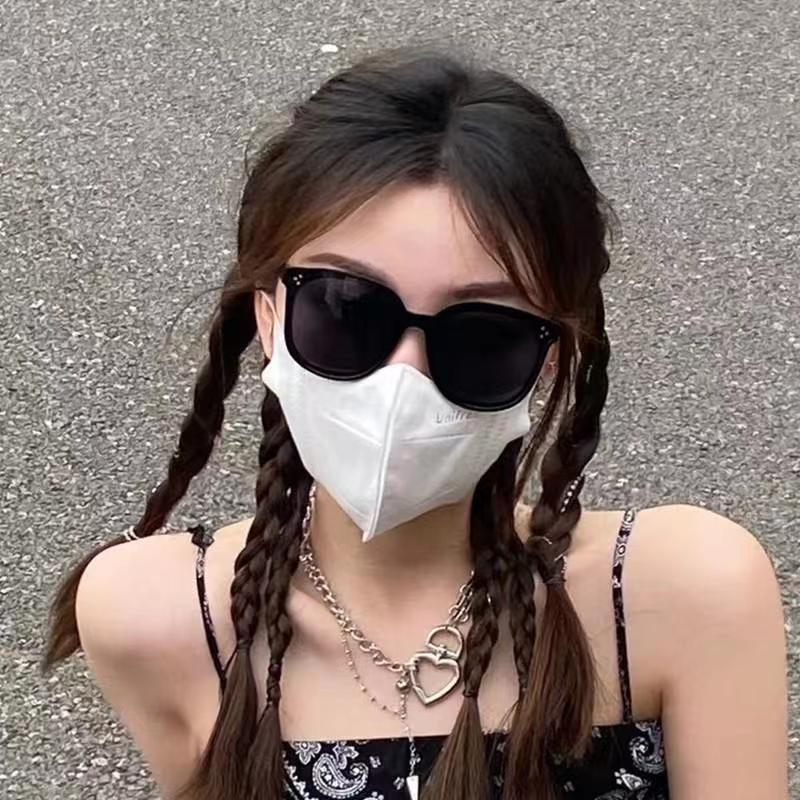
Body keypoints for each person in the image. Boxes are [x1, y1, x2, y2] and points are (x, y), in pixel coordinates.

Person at [41, 45, 789, 800]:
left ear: (548, 362)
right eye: (346, 309)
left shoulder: (685, 595)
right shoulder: (149, 617)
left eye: (483, 335)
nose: (404, 380)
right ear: (269, 318)